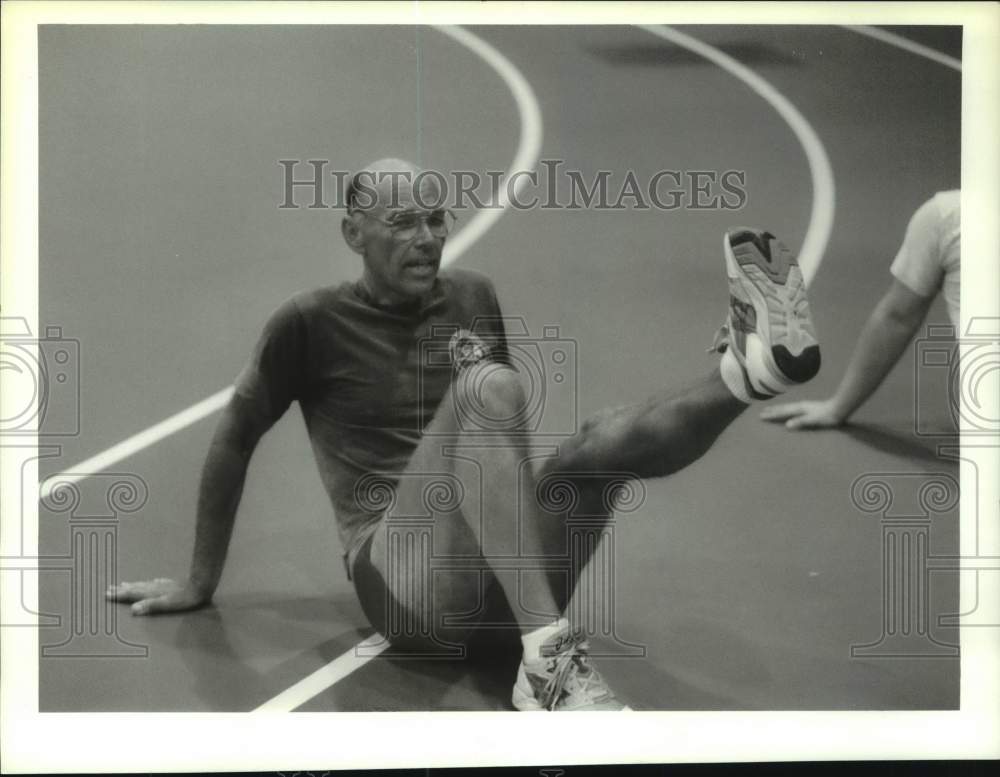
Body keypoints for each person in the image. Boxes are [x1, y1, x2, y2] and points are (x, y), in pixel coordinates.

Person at [106, 159, 821, 711]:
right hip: (403, 586)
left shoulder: (473, 295)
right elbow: (234, 436)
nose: (429, 238)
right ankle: (547, 660)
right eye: (404, 223)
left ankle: (743, 375)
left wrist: (552, 494)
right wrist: (199, 580)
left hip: (494, 587)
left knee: (596, 445)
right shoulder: (309, 323)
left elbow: (497, 449)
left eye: (437, 219)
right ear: (353, 234)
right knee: (486, 387)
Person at [761, 190, 959, 430]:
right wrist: (839, 406)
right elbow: (897, 318)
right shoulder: (947, 217)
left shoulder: (948, 214)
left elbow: (899, 318)